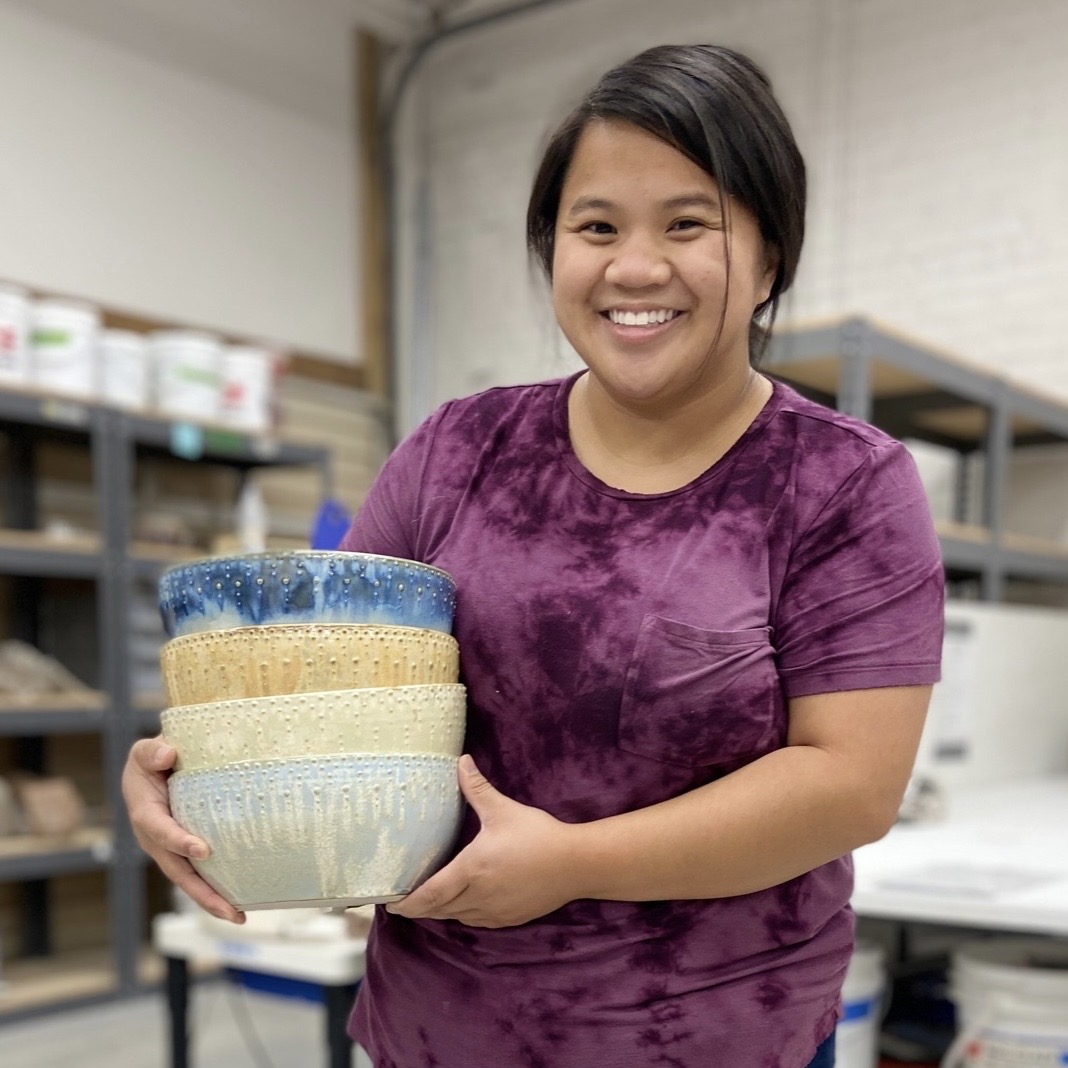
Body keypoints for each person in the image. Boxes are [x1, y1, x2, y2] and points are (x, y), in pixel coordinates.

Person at [124, 44, 944, 1068]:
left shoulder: (840, 483)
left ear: (771, 254)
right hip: (442, 1027)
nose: (634, 267)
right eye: (596, 226)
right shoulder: (459, 453)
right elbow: (317, 686)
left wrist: (576, 863)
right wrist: (186, 780)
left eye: (688, 224)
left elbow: (849, 787)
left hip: (714, 1035)